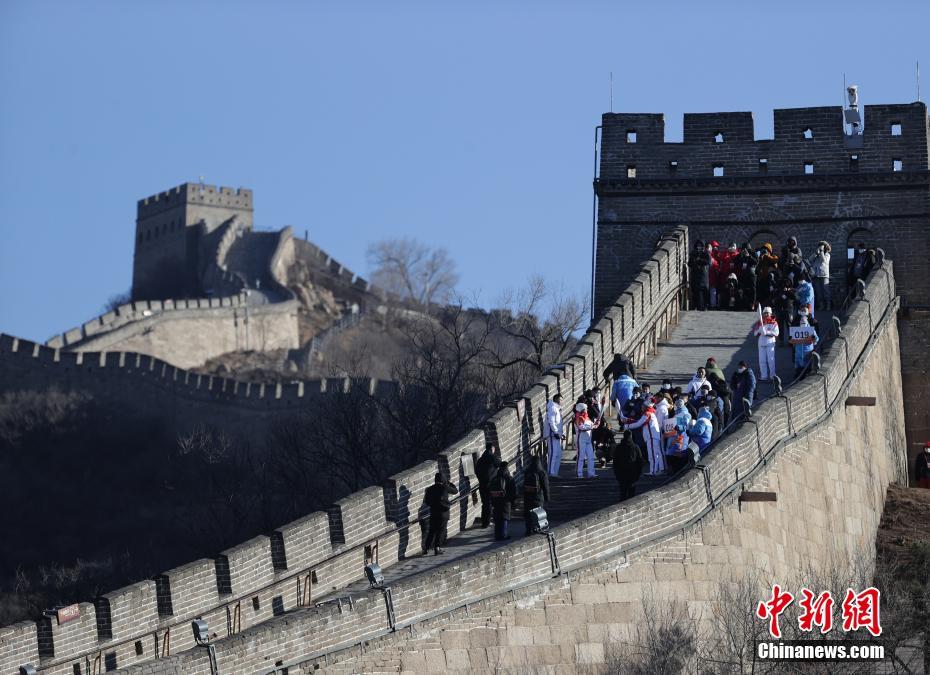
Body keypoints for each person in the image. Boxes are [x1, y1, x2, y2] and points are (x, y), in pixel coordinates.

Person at [624, 399, 665, 476]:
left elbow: (638, 424)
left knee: (652, 455)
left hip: (651, 437)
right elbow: (639, 421)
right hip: (652, 437)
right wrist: (628, 420)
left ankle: (653, 472)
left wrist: (627, 426)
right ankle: (655, 470)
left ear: (646, 407)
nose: (641, 406)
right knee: (654, 454)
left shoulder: (647, 414)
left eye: (643, 405)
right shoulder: (649, 413)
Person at [422, 473, 458, 555]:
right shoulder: (445, 487)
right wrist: (449, 483)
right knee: (440, 531)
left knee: (431, 531)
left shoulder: (430, 489)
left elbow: (427, 502)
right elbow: (455, 491)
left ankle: (426, 549)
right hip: (443, 513)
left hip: (433, 513)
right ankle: (437, 548)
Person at [474, 443, 501, 528]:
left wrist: (481, 480)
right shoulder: (492, 457)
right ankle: (491, 521)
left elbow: (476, 471)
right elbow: (500, 464)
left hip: (482, 484)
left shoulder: (480, 460)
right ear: (492, 448)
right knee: (494, 503)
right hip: (491, 484)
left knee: (485, 503)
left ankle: (485, 523)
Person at [523, 455, 550, 535]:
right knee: (538, 514)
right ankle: (537, 528)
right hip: (538, 497)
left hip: (528, 496)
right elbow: (545, 486)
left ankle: (528, 530)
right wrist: (547, 497)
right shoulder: (541, 472)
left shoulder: (527, 471)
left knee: (528, 514)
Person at [489, 461, 517, 540]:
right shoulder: (509, 478)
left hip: (495, 500)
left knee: (497, 518)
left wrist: (492, 500)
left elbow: (490, 489)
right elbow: (513, 491)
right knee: (504, 518)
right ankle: (503, 535)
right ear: (507, 468)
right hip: (505, 501)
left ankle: (497, 535)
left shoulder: (495, 478)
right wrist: (513, 501)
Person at [612, 430, 642, 500]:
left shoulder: (619, 447)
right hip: (633, 474)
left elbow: (615, 462)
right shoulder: (635, 447)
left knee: (623, 493)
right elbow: (640, 461)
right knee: (631, 495)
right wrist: (638, 474)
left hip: (621, 474)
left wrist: (617, 474)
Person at [790, 308, 819, 378]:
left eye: (804, 323)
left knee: (807, 368)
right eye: (801, 322)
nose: (803, 324)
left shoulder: (811, 330)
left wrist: (812, 339)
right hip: (799, 352)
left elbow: (816, 339)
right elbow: (790, 340)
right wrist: (802, 341)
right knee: (798, 367)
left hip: (808, 351)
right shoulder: (796, 330)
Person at [753, 307, 779, 382]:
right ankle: (763, 376)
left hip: (770, 343)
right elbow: (755, 334)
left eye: (768, 313)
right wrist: (759, 330)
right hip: (761, 343)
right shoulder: (759, 322)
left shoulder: (774, 322)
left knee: (771, 360)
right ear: (763, 314)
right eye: (765, 313)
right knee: (762, 360)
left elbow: (776, 333)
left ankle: (772, 376)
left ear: (771, 314)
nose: (767, 314)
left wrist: (767, 333)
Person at [574, 402, 597, 478]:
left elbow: (591, 425)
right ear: (582, 409)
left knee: (590, 457)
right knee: (581, 457)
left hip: (588, 439)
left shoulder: (587, 417)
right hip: (581, 440)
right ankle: (579, 474)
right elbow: (581, 427)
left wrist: (596, 424)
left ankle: (591, 473)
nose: (587, 409)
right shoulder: (578, 417)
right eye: (586, 408)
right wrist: (591, 427)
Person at [544, 394, 565, 477]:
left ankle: (555, 473)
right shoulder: (553, 408)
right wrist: (556, 432)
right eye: (561, 399)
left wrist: (561, 434)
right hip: (552, 435)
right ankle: (551, 473)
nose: (562, 401)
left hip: (557, 435)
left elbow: (558, 424)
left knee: (558, 454)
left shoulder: (557, 409)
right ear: (557, 400)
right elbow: (551, 421)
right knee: (553, 454)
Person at [809, 241, 832, 312]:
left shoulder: (827, 255)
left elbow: (824, 260)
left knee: (826, 291)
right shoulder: (817, 255)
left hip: (824, 275)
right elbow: (810, 259)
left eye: (821, 247)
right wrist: (816, 253)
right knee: (818, 292)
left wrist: (822, 251)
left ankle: (828, 305)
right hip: (816, 275)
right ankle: (821, 305)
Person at [689, 241, 711, 311]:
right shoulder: (693, 254)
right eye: (698, 246)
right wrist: (694, 260)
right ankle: (697, 306)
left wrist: (699, 260)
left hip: (703, 276)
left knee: (704, 291)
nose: (699, 248)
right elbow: (690, 264)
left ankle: (704, 306)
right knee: (696, 292)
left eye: (700, 246)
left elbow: (708, 262)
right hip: (695, 276)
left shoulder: (706, 254)